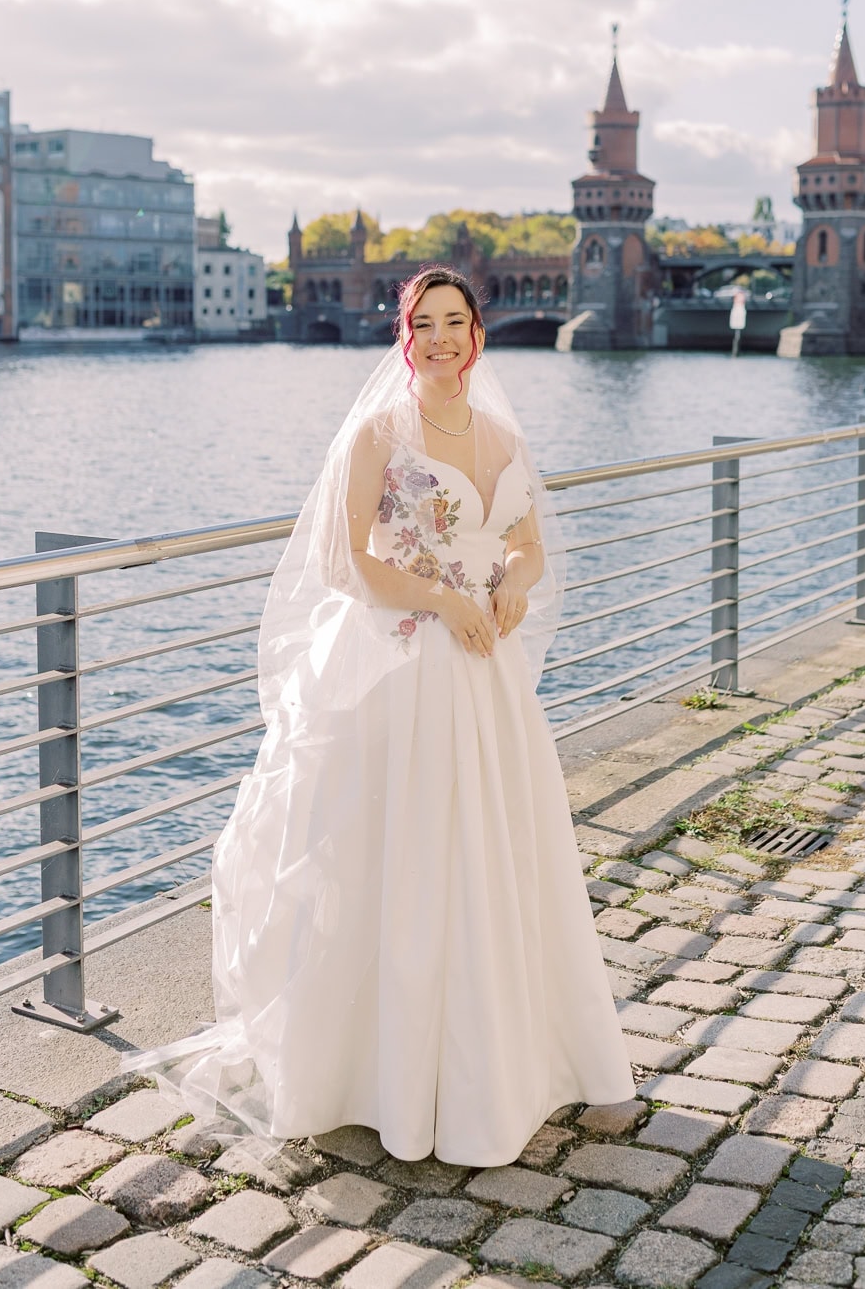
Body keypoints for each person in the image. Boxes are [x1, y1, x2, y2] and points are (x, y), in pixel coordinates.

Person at [124, 266, 633, 1166]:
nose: (442, 338)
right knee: (390, 855)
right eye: (425, 324)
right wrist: (443, 598)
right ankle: (374, 1075)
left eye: (456, 321)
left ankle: (510, 1070)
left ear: (479, 335)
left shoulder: (503, 433)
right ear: (407, 337)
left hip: (486, 676)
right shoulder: (377, 434)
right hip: (397, 668)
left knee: (493, 857)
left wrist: (510, 582)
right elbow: (345, 562)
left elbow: (529, 544)